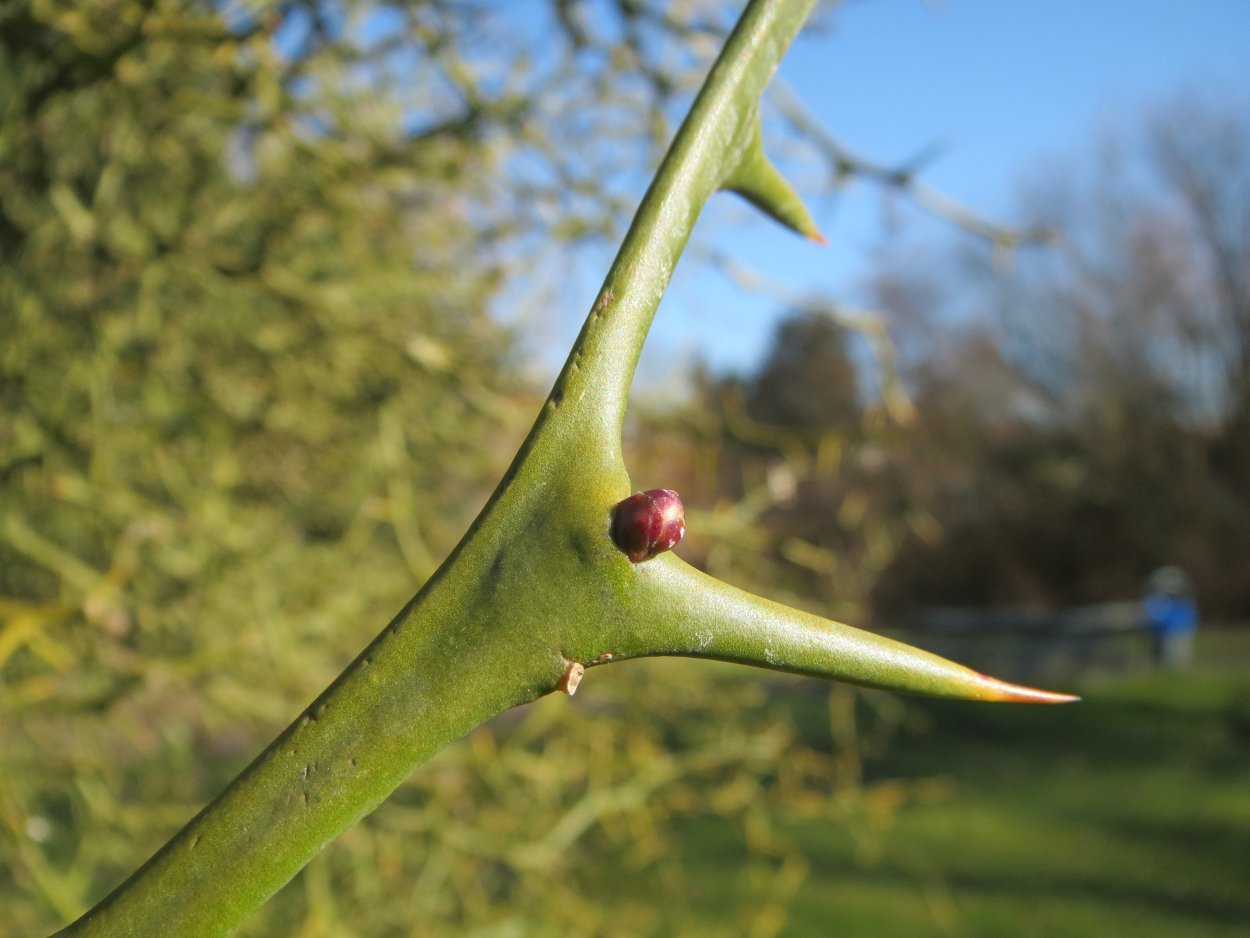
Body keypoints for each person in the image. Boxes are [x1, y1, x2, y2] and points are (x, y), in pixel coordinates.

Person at [1143, 566, 1198, 669]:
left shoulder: (1182, 603)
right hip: (1167, 633)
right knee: (1169, 661)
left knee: (1177, 662)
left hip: (1177, 633)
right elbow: (1155, 618)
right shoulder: (1160, 600)